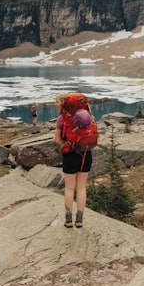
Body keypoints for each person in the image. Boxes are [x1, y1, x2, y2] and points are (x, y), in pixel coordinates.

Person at [54, 94, 93, 228]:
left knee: (69, 188)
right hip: (86, 154)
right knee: (81, 187)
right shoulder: (88, 116)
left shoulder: (62, 119)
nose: (56, 104)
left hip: (70, 155)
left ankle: (68, 219)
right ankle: (80, 219)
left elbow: (57, 139)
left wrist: (65, 145)